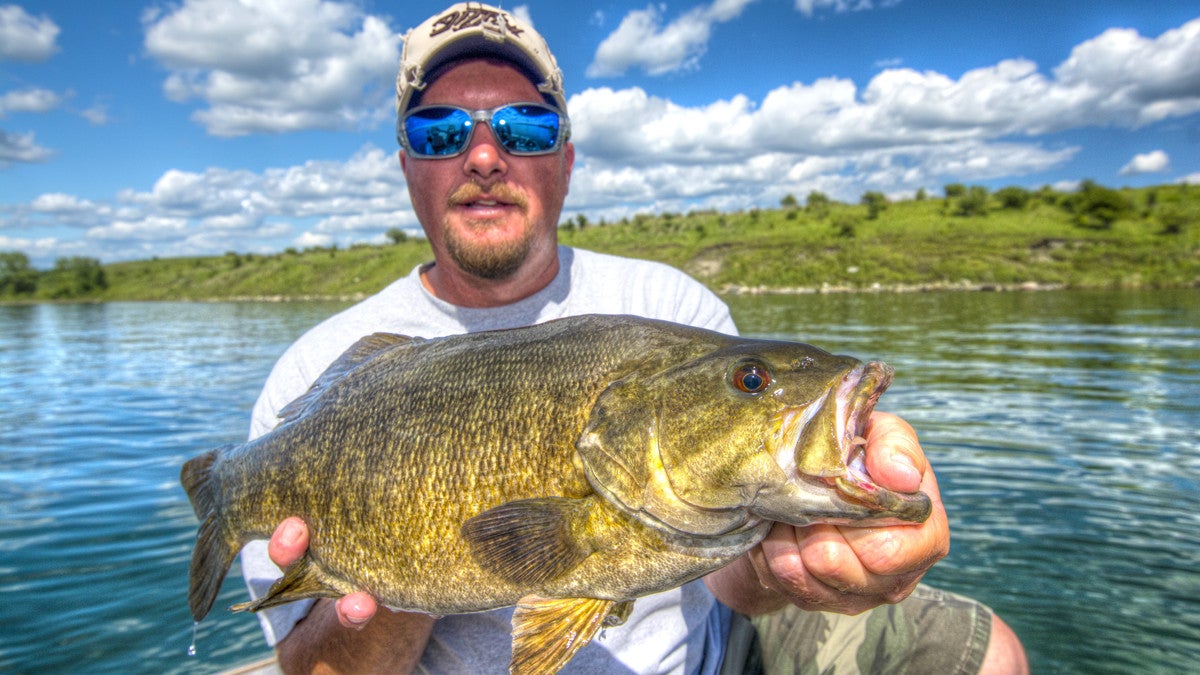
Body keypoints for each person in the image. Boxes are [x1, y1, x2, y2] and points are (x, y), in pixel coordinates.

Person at [239, 3, 1028, 673]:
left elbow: (731, 582)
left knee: (988, 650)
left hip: (705, 652)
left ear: (568, 160)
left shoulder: (669, 305)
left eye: (526, 126)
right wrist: (402, 559)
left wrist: (791, 557)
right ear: (409, 163)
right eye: (442, 131)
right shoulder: (313, 374)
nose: (485, 154)